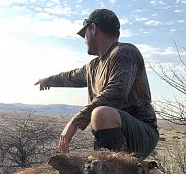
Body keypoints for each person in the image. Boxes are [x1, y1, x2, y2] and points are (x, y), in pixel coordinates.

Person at [35, 9, 159, 160]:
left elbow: (116, 93)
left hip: (142, 133)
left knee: (101, 114)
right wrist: (47, 80)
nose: (84, 39)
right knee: (100, 117)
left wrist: (75, 122)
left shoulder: (125, 52)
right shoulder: (93, 66)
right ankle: (103, 169)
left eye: (84, 34)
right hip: (114, 131)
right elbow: (70, 76)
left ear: (93, 29)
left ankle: (117, 170)